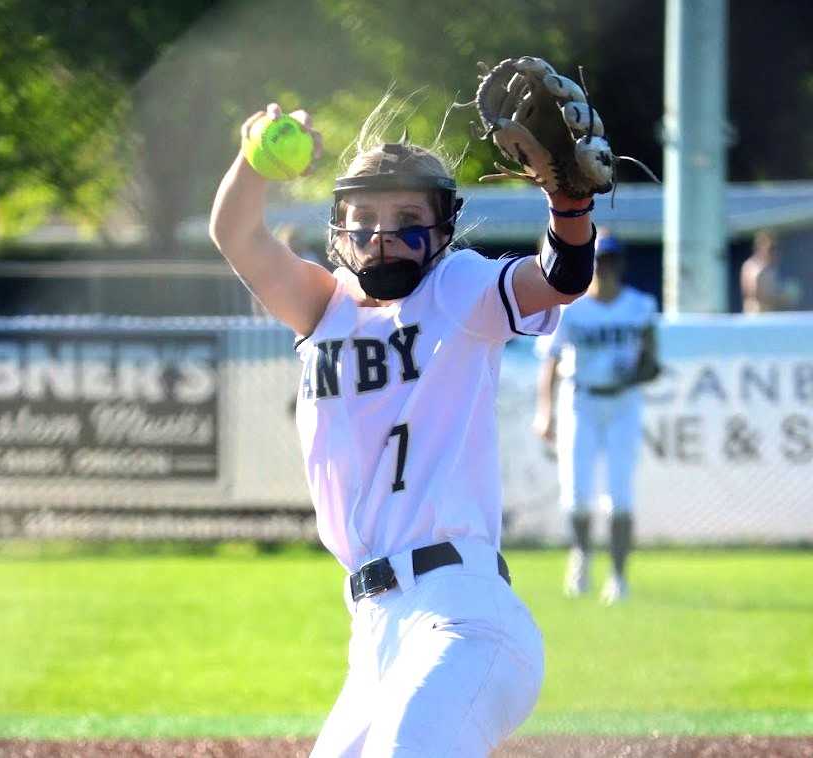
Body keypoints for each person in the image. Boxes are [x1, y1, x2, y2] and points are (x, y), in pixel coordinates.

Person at [209, 96, 597, 756]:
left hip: (463, 618)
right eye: (364, 218)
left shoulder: (457, 288)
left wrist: (568, 202)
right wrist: (255, 159)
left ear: (445, 229)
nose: (382, 235)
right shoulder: (322, 304)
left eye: (407, 218)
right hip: (374, 633)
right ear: (338, 227)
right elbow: (237, 235)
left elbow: (561, 276)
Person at [532, 231, 660, 605]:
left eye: (611, 260)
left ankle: (619, 577)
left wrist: (636, 372)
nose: (605, 268)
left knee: (620, 496)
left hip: (622, 402)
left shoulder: (639, 305)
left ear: (620, 264)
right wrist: (545, 412)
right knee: (575, 494)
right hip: (580, 400)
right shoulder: (573, 309)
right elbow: (551, 363)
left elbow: (653, 362)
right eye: (600, 261)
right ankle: (581, 556)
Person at [740, 230, 802, 313]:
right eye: (771, 248)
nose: (773, 252)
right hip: (756, 315)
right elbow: (754, 293)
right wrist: (784, 296)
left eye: (774, 248)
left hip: (769, 314)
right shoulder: (752, 267)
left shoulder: (771, 268)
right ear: (760, 247)